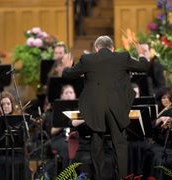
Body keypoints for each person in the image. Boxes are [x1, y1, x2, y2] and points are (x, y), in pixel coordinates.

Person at [61, 35, 150, 179]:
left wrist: (66, 66)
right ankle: (121, 177)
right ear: (112, 48)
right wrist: (141, 54)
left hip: (95, 108)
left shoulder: (87, 59)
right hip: (117, 107)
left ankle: (99, 177)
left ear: (96, 48)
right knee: (119, 143)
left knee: (97, 142)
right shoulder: (122, 57)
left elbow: (68, 75)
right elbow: (144, 66)